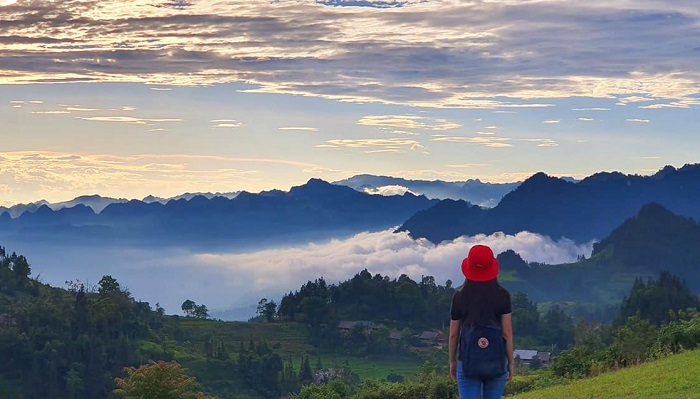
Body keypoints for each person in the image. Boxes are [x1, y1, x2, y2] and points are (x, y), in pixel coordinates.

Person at [449, 244, 514, 399]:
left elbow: (453, 334)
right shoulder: (503, 295)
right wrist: (510, 362)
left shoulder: (460, 297)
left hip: (468, 362)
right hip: (496, 362)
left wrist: (453, 361)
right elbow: (507, 333)